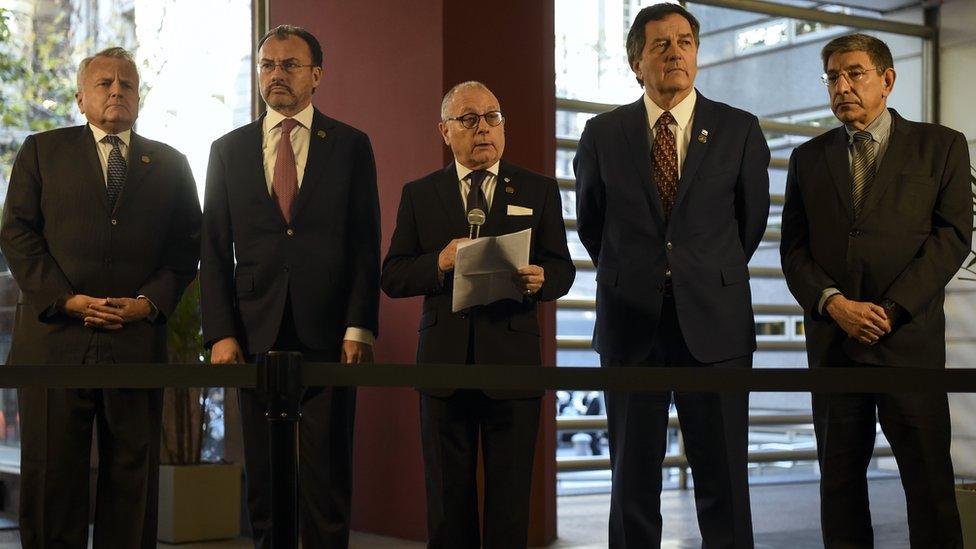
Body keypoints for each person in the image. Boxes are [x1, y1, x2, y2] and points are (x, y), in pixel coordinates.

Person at [574, 4, 770, 548]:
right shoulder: (601, 134)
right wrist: (639, 273)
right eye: (660, 44)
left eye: (685, 41)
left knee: (724, 477)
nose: (675, 53)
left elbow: (748, 225)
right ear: (636, 62)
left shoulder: (738, 129)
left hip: (716, 325)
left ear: (698, 54)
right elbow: (593, 225)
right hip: (630, 324)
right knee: (631, 481)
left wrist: (696, 272)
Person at [0, 46, 201, 548]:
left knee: (132, 480)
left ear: (139, 98)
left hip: (134, 343)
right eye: (104, 83)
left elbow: (186, 248)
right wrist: (65, 300)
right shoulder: (41, 151)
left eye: (127, 84)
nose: (117, 91)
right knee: (51, 479)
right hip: (54, 342)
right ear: (80, 99)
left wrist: (147, 303)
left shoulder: (172, 164)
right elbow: (17, 234)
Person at [780, 33, 969, 548]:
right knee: (839, 487)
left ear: (887, 79)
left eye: (854, 73)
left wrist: (889, 310)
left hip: (908, 346)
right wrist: (834, 304)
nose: (842, 86)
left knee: (929, 486)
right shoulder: (808, 158)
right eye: (833, 76)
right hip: (835, 346)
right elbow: (793, 252)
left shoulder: (941, 145)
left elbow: (951, 240)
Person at [200, 25, 380, 549]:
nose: (276, 74)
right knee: (263, 480)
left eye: (289, 64)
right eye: (267, 65)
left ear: (316, 75)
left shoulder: (350, 145)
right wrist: (221, 334)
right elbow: (213, 249)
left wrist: (359, 327)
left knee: (326, 478)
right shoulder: (227, 150)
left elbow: (365, 243)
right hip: (253, 332)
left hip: (329, 332)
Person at [381, 81, 575, 548]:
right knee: (448, 506)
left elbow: (562, 269)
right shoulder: (420, 194)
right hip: (444, 366)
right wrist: (440, 262)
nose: (483, 128)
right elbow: (393, 276)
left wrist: (541, 280)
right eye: (468, 119)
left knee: (510, 503)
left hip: (512, 364)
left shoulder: (538, 189)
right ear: (445, 131)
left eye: (492, 117)